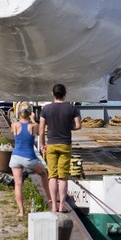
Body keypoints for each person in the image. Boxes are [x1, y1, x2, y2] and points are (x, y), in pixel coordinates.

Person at [39, 83, 82, 213]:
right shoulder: (72, 108)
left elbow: (41, 130)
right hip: (65, 145)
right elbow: (78, 125)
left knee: (52, 176)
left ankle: (53, 205)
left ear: (53, 94)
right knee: (63, 177)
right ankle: (62, 205)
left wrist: (42, 145)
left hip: (51, 144)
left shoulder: (46, 109)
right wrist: (70, 127)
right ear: (65, 94)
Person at [9, 102, 51, 217]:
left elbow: (13, 132)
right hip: (28, 157)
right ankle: (49, 198)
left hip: (15, 157)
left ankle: (21, 211)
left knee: (18, 184)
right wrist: (32, 119)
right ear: (30, 113)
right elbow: (38, 131)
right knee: (43, 173)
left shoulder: (14, 125)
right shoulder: (33, 126)